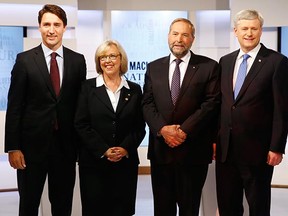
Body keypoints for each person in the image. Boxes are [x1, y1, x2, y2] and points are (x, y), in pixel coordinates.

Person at [4, 4, 87, 216]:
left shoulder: (78, 61)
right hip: (30, 150)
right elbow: (14, 107)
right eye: (46, 24)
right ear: (39, 28)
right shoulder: (24, 61)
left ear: (64, 28)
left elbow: (80, 106)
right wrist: (13, 147)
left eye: (56, 25)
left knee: (62, 205)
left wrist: (82, 146)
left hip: (66, 148)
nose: (51, 30)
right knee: (29, 205)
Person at [142, 18, 221, 216]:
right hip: (161, 151)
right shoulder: (154, 67)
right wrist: (162, 130)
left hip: (193, 151)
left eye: (185, 35)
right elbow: (147, 103)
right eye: (175, 34)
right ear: (168, 36)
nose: (179, 39)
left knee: (190, 208)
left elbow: (210, 104)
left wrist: (183, 130)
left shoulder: (209, 67)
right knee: (162, 208)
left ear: (192, 39)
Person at [216, 9, 288, 216]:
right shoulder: (225, 61)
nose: (249, 33)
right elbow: (222, 104)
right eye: (244, 28)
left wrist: (277, 147)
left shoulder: (277, 62)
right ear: (235, 31)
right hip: (226, 151)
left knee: (258, 207)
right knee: (228, 206)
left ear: (260, 31)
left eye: (254, 28)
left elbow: (282, 109)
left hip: (258, 152)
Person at [74, 39, 146, 216]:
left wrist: (124, 148)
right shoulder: (86, 87)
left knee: (122, 210)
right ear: (98, 62)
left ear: (121, 59)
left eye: (112, 56)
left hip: (125, 164)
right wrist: (104, 150)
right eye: (103, 57)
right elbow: (81, 124)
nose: (108, 60)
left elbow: (139, 126)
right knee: (95, 210)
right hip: (94, 163)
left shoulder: (135, 90)